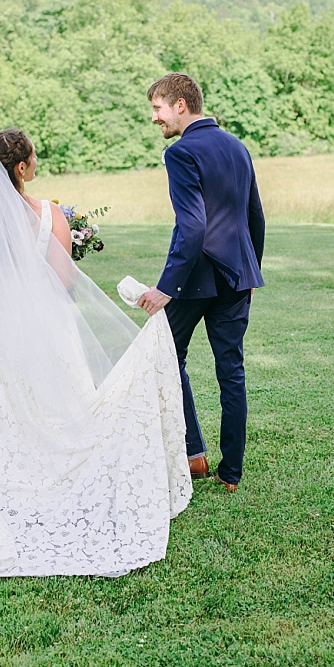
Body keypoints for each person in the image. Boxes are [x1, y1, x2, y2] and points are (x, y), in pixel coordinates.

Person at [0, 129, 192, 577]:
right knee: (61, 406)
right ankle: (60, 482)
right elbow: (64, 280)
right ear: (20, 169)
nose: (37, 163)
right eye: (33, 158)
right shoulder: (49, 214)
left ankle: (7, 489)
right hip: (48, 327)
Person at [137, 73, 265, 493]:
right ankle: (231, 473)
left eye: (157, 108)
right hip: (236, 277)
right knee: (232, 371)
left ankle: (193, 454)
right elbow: (255, 216)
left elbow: (192, 227)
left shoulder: (180, 152)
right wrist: (249, 271)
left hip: (195, 280)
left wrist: (165, 288)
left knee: (167, 355)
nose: (154, 118)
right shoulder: (237, 146)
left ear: (179, 105)